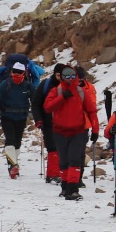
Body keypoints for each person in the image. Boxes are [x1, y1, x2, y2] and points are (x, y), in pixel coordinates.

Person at [44, 63, 100, 200]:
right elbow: (48, 107)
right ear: (62, 77)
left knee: (75, 160)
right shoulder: (56, 91)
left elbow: (92, 111)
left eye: (72, 75)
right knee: (63, 162)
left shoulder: (81, 92)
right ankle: (65, 187)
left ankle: (73, 189)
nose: (69, 78)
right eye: (66, 76)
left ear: (75, 76)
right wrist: (62, 97)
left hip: (78, 132)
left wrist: (95, 129)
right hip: (59, 132)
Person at [0, 61, 36, 179]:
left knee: (17, 142)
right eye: (15, 73)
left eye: (19, 73)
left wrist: (37, 113)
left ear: (23, 73)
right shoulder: (6, 84)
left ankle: (13, 165)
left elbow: (35, 100)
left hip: (21, 117)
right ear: (12, 73)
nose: (17, 75)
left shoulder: (28, 86)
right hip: (7, 116)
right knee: (10, 140)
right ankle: (13, 166)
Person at [33, 62, 65, 184]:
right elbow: (35, 103)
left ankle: (60, 173)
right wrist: (38, 120)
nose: (60, 78)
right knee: (52, 147)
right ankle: (52, 174)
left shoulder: (67, 86)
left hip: (64, 122)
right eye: (58, 75)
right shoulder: (45, 85)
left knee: (63, 148)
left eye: (62, 75)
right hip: (47, 122)